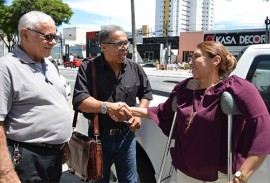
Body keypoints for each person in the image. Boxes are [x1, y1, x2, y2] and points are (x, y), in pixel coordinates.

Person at [123, 41, 270, 183]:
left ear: (216, 60)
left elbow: (262, 126)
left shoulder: (238, 87)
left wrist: (240, 178)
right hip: (183, 172)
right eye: (190, 57)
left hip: (220, 176)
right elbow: (162, 111)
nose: (190, 62)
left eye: (196, 56)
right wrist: (130, 110)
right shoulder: (184, 89)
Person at [72, 24, 153, 183]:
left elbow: (146, 93)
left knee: (130, 180)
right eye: (119, 44)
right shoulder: (89, 68)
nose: (124, 48)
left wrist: (139, 116)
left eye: (126, 43)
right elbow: (80, 100)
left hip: (127, 137)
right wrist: (107, 107)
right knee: (99, 180)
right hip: (98, 137)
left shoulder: (134, 68)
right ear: (103, 46)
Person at [0, 11, 72, 183]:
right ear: (25, 34)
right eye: (48, 37)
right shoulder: (6, 67)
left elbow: (54, 104)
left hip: (54, 157)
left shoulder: (49, 65)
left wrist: (63, 142)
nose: (53, 42)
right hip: (26, 158)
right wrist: (4, 171)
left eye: (56, 37)